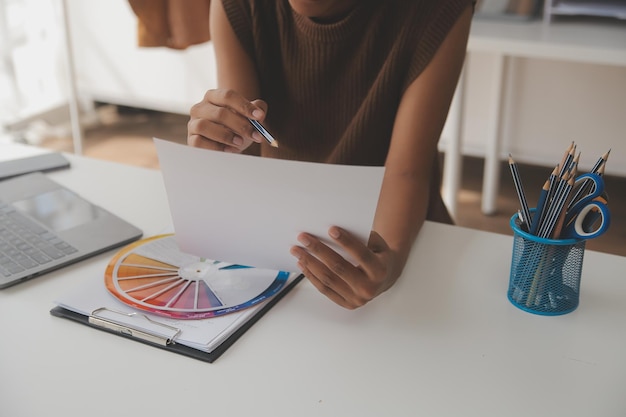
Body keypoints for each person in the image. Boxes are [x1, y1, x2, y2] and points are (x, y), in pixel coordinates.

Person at [187, 0, 474, 309]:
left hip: (394, 235)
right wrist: (217, 145)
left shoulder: (438, 9)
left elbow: (406, 172)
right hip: (282, 241)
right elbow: (243, 143)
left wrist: (387, 267)